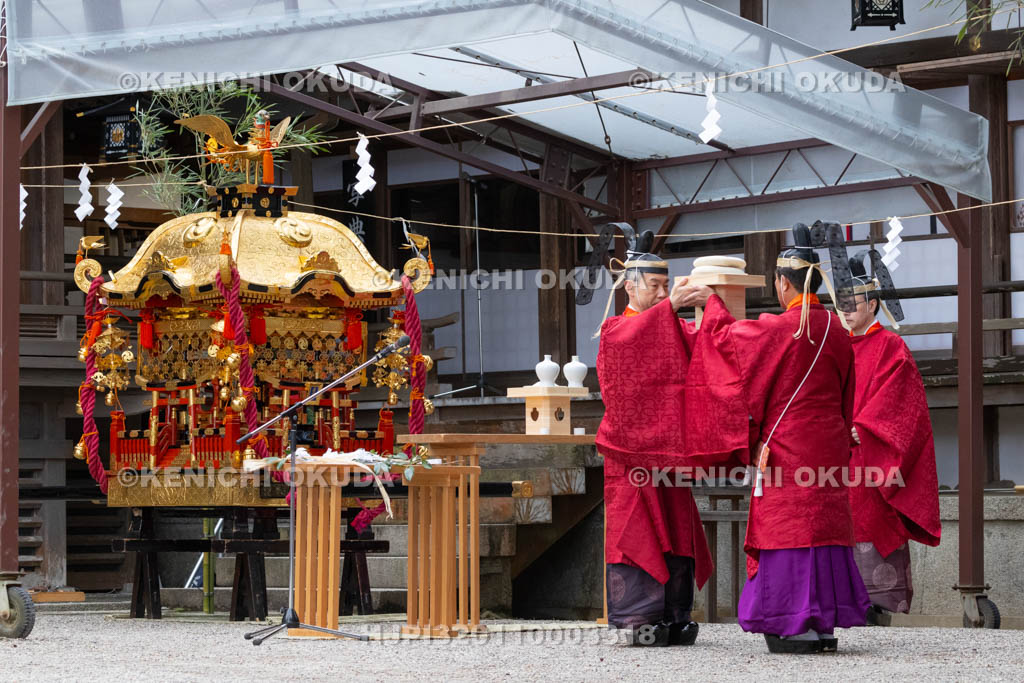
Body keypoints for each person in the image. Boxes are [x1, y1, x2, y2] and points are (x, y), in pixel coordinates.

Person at [678, 226, 869, 654]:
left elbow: (727, 342)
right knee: (823, 531)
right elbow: (847, 396)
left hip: (789, 446)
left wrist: (711, 304)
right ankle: (822, 627)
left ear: (783, 284)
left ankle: (792, 625)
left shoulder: (783, 328)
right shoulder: (838, 330)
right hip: (829, 447)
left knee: (790, 532)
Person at [595, 233, 714, 647]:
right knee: (638, 529)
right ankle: (638, 620)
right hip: (631, 454)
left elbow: (706, 353)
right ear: (629, 285)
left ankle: (675, 615)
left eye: (666, 285)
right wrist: (671, 307)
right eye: (654, 286)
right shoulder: (614, 330)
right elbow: (632, 351)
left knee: (677, 531)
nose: (662, 293)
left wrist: (711, 307)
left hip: (668, 452)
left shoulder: (669, 322)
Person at [841, 252, 941, 624]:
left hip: (873, 458)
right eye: (841, 304)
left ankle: (876, 609)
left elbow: (905, 407)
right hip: (835, 459)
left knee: (870, 522)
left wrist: (865, 428)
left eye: (853, 304)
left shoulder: (892, 348)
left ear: (872, 304)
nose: (846, 311)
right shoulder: (834, 344)